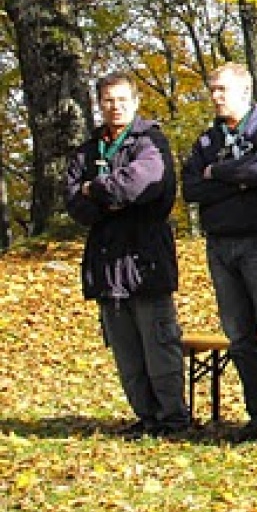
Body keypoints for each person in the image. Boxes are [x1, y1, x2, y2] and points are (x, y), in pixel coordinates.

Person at [181, 63, 257, 443]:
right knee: (239, 335)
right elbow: (190, 189)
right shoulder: (207, 141)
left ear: (245, 90)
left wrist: (216, 174)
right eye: (212, 90)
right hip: (219, 244)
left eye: (223, 89)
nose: (216, 96)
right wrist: (234, 180)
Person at [65, 72, 190, 437]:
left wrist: (97, 190)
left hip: (145, 257)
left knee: (159, 345)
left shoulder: (150, 141)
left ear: (135, 102)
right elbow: (74, 203)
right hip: (106, 262)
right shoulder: (89, 148)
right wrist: (107, 199)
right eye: (107, 100)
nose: (114, 106)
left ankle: (172, 419)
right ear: (98, 104)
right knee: (126, 350)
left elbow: (142, 184)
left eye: (121, 100)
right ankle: (146, 417)